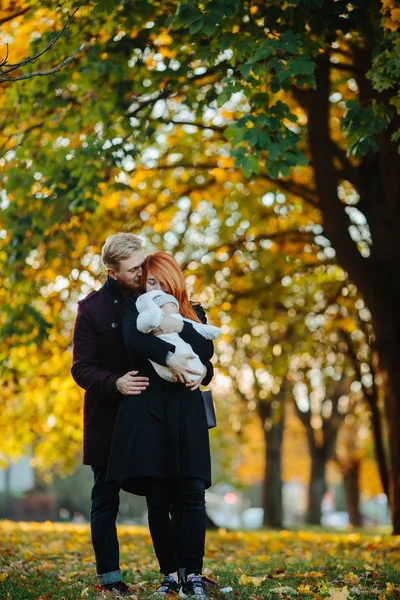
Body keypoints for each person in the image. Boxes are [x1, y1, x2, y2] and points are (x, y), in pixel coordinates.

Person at [71, 234, 206, 598]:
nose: (140, 272)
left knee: (164, 494)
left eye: (142, 265)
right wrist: (114, 382)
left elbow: (198, 350)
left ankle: (183, 573)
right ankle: (110, 578)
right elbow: (81, 368)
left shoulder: (156, 299)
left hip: (152, 414)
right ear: (113, 272)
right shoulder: (92, 309)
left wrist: (202, 371)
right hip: (108, 415)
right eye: (133, 269)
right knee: (105, 498)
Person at [106, 252, 216, 599]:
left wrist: (180, 326)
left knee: (192, 496)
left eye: (159, 282)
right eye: (148, 282)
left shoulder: (193, 311)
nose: (153, 288)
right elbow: (135, 341)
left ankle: (193, 574)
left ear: (174, 280)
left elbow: (207, 352)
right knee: (158, 499)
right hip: (149, 415)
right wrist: (170, 357)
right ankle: (170, 574)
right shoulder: (135, 310)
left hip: (188, 415)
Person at [136, 289, 221, 382]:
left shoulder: (193, 309)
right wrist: (168, 358)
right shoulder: (142, 312)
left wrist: (181, 326)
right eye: (151, 283)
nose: (158, 287)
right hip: (155, 380)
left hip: (187, 385)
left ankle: (194, 371)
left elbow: (206, 351)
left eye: (163, 283)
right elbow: (135, 339)